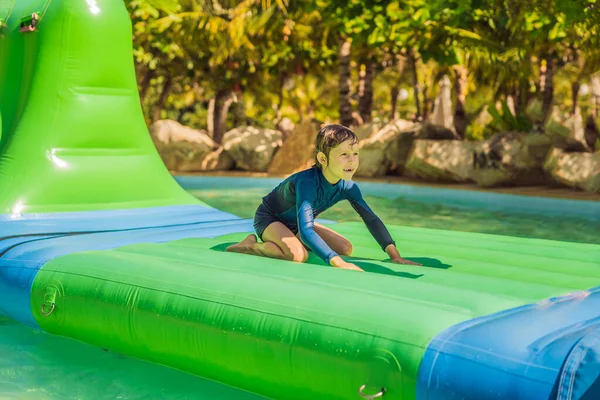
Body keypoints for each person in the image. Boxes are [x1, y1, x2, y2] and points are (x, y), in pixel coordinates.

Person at [226, 124, 421, 271]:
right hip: (269, 219)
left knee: (345, 247)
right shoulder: (307, 183)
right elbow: (306, 229)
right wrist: (337, 262)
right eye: (344, 154)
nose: (352, 160)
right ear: (322, 159)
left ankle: (290, 239)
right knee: (297, 255)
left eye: (355, 153)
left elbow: (370, 218)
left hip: (296, 224)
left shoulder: (348, 186)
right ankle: (251, 245)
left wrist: (394, 255)